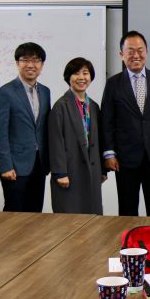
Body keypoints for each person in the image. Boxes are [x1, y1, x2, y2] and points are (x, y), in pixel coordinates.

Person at [101, 30, 150, 216]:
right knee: (127, 208)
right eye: (130, 50)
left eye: (140, 50)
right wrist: (109, 153)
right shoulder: (113, 84)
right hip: (125, 159)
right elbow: (107, 121)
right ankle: (129, 245)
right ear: (121, 54)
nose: (136, 55)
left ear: (147, 52)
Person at [0, 42, 51, 213]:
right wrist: (5, 166)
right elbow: (0, 132)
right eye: (25, 60)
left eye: (36, 60)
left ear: (41, 65)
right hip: (15, 166)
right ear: (17, 63)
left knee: (35, 213)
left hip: (39, 164)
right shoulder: (5, 93)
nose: (31, 65)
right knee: (14, 213)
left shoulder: (46, 92)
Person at [48, 57, 105, 214]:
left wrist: (102, 170)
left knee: (92, 217)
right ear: (68, 77)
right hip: (69, 172)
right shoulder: (60, 106)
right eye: (76, 73)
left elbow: (98, 140)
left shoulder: (93, 106)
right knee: (70, 217)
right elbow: (55, 141)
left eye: (85, 73)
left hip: (91, 171)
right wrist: (60, 172)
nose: (81, 78)